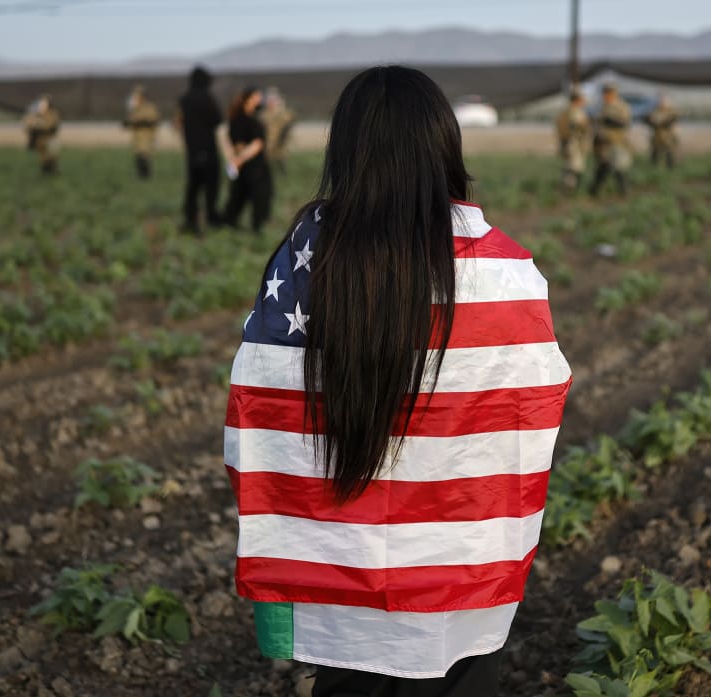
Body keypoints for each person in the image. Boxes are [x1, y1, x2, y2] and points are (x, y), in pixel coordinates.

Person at [224, 65, 571, 696]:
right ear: (443, 144)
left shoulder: (307, 262)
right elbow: (533, 412)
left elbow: (256, 412)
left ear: (345, 151)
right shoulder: (507, 272)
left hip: (339, 582)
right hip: (461, 575)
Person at [176, 65, 223, 233]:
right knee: (211, 186)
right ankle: (211, 218)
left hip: (192, 150)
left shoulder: (184, 99)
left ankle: (191, 219)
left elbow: (179, 122)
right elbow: (217, 119)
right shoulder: (206, 98)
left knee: (193, 187)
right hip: (208, 150)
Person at [222, 86, 273, 233]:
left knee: (242, 194)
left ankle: (232, 222)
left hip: (252, 164)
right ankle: (255, 226)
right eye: (257, 97)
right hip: (252, 166)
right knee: (256, 195)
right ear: (248, 99)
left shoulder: (250, 117)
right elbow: (254, 143)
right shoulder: (241, 119)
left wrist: (238, 159)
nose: (259, 100)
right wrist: (240, 159)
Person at [589, 82, 632, 197]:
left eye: (607, 93)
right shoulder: (601, 106)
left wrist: (610, 121)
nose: (605, 96)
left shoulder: (621, 106)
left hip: (616, 141)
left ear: (613, 93)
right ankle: (594, 191)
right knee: (603, 166)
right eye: (604, 93)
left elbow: (624, 123)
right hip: (602, 143)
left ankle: (625, 191)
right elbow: (597, 123)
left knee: (618, 167)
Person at [555, 90, 591, 191]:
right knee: (574, 167)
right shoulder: (574, 112)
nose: (584, 102)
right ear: (577, 100)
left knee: (573, 166)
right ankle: (569, 189)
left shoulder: (566, 111)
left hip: (569, 143)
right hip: (574, 143)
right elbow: (577, 128)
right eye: (582, 100)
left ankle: (569, 188)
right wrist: (585, 126)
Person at [123, 85, 161, 179]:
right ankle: (141, 176)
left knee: (145, 157)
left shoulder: (150, 107)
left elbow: (153, 120)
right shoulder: (134, 109)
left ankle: (146, 176)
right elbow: (128, 122)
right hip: (137, 138)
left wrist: (139, 122)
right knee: (138, 158)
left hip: (147, 137)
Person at [261, 86, 296, 175]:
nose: (271, 102)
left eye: (273, 100)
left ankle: (283, 173)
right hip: (268, 141)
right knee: (267, 159)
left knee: (280, 158)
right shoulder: (264, 114)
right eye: (269, 100)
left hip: (280, 140)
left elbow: (290, 120)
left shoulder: (282, 112)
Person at [24, 95, 61, 175]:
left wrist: (38, 125)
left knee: (52, 156)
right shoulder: (34, 114)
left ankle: (52, 170)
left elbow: (50, 125)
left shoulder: (53, 113)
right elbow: (28, 124)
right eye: (41, 103)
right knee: (43, 156)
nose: (42, 105)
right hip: (40, 140)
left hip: (50, 138)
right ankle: (45, 170)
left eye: (44, 103)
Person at [645, 94, 679, 168]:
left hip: (668, 137)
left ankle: (671, 169)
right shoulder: (654, 111)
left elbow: (672, 119)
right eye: (660, 101)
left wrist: (661, 121)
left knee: (670, 154)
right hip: (657, 137)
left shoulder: (671, 111)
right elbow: (648, 120)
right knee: (655, 155)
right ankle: (654, 169)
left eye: (663, 101)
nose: (662, 103)